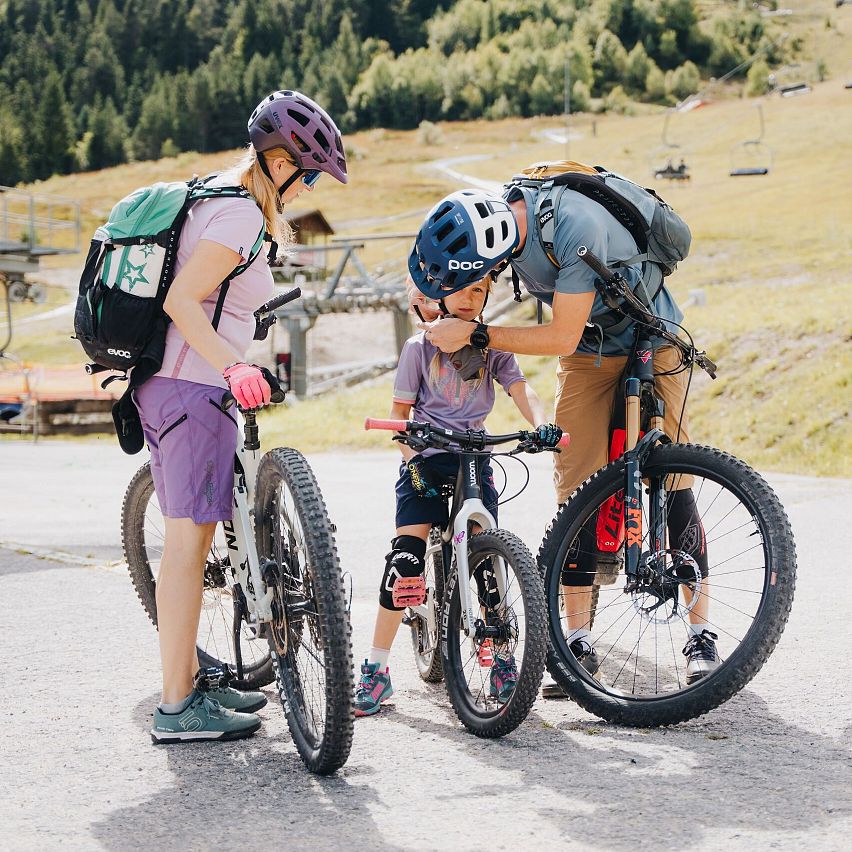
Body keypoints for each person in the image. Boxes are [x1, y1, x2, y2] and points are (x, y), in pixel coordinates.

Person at [407, 186, 718, 699]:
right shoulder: (496, 226)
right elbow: (451, 273)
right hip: (591, 351)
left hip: (654, 336)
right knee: (576, 486)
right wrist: (434, 307)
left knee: (674, 481)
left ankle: (701, 635)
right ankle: (576, 640)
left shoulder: (574, 227)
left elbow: (559, 337)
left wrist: (477, 335)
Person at [136, 90, 348, 743]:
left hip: (179, 387)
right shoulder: (238, 215)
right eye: (308, 173)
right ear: (279, 161)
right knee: (186, 547)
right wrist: (232, 366)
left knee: (192, 541)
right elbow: (181, 300)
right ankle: (177, 708)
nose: (308, 186)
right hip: (192, 388)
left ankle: (188, 686)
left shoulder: (223, 202)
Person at [355, 276, 561, 717]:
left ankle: (501, 657)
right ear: (439, 295)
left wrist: (542, 423)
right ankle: (376, 667)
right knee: (405, 561)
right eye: (463, 289)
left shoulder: (491, 346)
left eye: (480, 291)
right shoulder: (418, 348)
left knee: (488, 561)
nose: (471, 298)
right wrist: (412, 459)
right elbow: (399, 416)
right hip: (426, 457)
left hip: (474, 457)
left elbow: (520, 388)